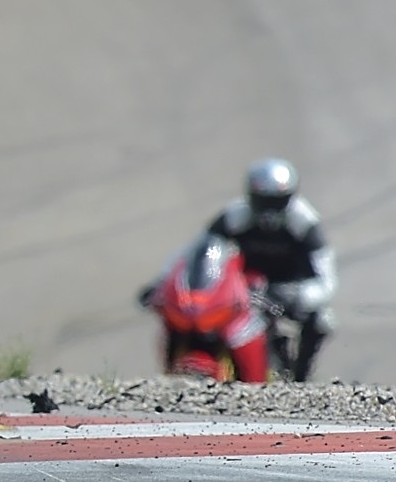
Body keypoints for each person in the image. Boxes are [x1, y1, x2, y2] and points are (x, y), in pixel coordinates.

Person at [142, 159, 336, 381]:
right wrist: (163, 282)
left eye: (276, 202)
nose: (268, 210)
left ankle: (301, 378)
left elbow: (326, 277)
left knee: (322, 322)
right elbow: (199, 249)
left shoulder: (305, 223)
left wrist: (300, 295)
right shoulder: (235, 215)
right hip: (245, 286)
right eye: (263, 201)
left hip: (290, 288)